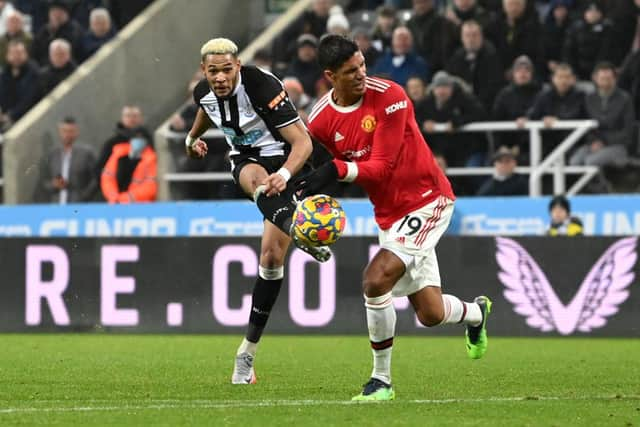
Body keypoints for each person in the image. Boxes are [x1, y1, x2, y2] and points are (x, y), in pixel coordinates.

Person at [299, 34, 491, 401]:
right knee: (431, 313)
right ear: (329, 76)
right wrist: (309, 192)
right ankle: (476, 314)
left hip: (428, 200)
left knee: (375, 280)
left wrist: (335, 171)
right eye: (350, 71)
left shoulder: (390, 97)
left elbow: (381, 167)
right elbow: (325, 168)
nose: (360, 75)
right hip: (389, 215)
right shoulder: (321, 119)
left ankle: (380, 381)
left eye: (362, 65)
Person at [184, 38, 329, 385]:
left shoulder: (262, 85)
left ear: (238, 66)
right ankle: (297, 228)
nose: (220, 78)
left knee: (270, 258)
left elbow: (303, 142)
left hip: (288, 161)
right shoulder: (204, 91)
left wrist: (284, 175)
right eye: (213, 71)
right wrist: (192, 140)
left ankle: (246, 353)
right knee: (258, 183)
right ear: (204, 71)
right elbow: (207, 110)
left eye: (226, 69)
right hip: (249, 162)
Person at [569, 62, 635, 167]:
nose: (605, 82)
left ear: (615, 78)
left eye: (608, 78)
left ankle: (601, 183)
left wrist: (604, 141)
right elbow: (586, 126)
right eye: (602, 78)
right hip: (593, 143)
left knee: (591, 161)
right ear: (595, 78)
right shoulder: (589, 98)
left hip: (618, 145)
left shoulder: (625, 99)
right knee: (575, 161)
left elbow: (628, 131)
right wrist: (593, 141)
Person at [37, 116, 98, 203]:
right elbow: (44, 180)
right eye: (64, 131)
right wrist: (53, 185)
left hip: (78, 206)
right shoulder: (52, 154)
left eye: (71, 131)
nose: (67, 135)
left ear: (77, 132)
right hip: (57, 205)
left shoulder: (86, 153)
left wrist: (85, 196)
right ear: (59, 132)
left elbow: (96, 177)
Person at [100, 128, 157, 203]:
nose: (137, 141)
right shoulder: (118, 155)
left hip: (140, 206)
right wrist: (113, 196)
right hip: (115, 204)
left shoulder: (151, 159)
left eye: (141, 138)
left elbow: (151, 187)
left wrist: (127, 198)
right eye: (135, 138)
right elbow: (107, 178)